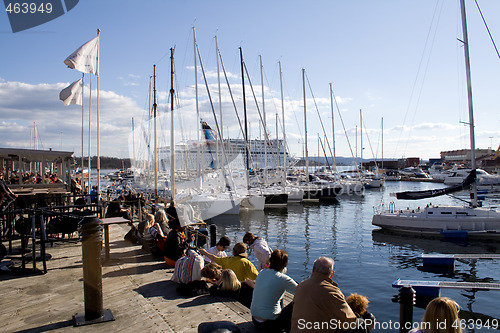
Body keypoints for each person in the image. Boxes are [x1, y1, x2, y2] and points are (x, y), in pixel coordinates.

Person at [291, 257, 358, 333]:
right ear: (332, 274)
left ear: (313, 269)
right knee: (361, 324)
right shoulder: (332, 292)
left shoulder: (300, 286)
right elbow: (349, 322)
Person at [251, 249, 297, 332]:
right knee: (296, 302)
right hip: (270, 323)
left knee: (277, 294)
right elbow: (301, 292)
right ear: (284, 264)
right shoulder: (283, 278)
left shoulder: (261, 272)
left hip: (255, 319)